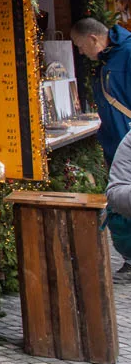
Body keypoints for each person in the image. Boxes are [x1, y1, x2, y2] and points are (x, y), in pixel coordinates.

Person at [71, 17, 131, 259]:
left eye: (80, 45)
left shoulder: (126, 54)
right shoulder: (107, 58)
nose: (80, 51)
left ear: (93, 38)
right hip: (117, 143)